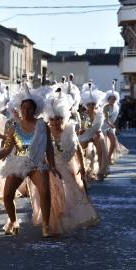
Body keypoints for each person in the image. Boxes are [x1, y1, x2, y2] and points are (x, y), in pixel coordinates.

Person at [0, 87, 58, 237]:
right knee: (7, 195)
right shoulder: (14, 127)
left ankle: (46, 225)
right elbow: (6, 150)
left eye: (29, 108)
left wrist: (52, 165)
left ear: (35, 110)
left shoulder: (42, 125)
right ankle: (13, 221)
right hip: (18, 162)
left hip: (37, 163)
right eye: (24, 108)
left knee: (45, 192)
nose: (26, 111)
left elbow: (49, 148)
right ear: (20, 109)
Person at [45, 91, 99, 235]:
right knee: (54, 194)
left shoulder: (69, 130)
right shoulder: (45, 131)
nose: (56, 122)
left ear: (64, 118)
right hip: (50, 168)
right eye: (53, 119)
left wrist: (82, 166)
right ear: (49, 120)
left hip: (67, 166)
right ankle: (53, 222)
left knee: (71, 192)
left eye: (59, 119)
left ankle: (69, 217)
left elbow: (78, 149)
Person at [78, 84, 108, 180]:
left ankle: (101, 171)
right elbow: (83, 128)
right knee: (85, 152)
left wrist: (96, 134)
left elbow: (98, 127)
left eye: (93, 104)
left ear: (96, 104)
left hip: (96, 134)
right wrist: (83, 131)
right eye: (89, 104)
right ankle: (87, 171)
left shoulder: (99, 114)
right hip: (85, 135)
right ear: (86, 105)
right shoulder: (83, 115)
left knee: (100, 151)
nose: (91, 106)